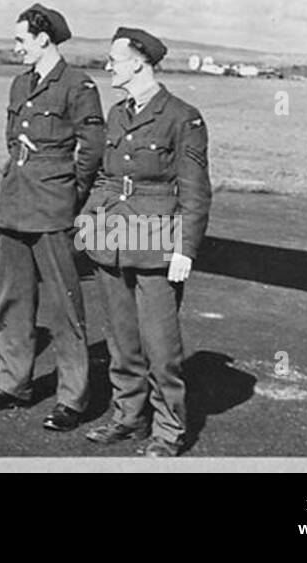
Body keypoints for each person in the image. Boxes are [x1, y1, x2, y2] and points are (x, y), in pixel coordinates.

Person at [0, 4, 104, 432]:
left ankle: (72, 398)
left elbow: (93, 148)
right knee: (12, 301)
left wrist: (71, 194)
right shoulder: (19, 83)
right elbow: (14, 141)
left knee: (64, 306)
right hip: (15, 203)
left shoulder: (77, 85)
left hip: (52, 206)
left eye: (21, 40)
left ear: (44, 39)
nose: (16, 48)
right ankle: (12, 384)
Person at [80, 27, 212, 457]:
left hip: (157, 240)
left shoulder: (182, 117)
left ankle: (169, 431)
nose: (108, 66)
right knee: (121, 340)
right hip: (111, 235)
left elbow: (195, 191)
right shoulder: (117, 114)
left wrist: (185, 250)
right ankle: (126, 418)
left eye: (114, 59)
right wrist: (89, 223)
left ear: (139, 62)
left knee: (161, 346)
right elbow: (105, 175)